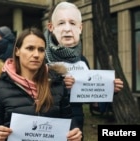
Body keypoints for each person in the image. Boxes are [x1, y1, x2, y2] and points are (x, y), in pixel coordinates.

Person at [0, 27, 82, 141]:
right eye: (30, 48)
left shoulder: (57, 84)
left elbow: (69, 120)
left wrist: (76, 133)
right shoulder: (0, 88)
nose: (36, 54)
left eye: (41, 50)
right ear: (17, 51)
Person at [44, 1, 124, 140]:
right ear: (51, 27)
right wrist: (59, 86)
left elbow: (92, 101)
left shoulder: (82, 60)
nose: (67, 29)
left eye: (73, 23)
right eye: (61, 23)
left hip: (76, 128)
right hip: (47, 125)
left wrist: (108, 90)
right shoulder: (40, 57)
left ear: (80, 28)